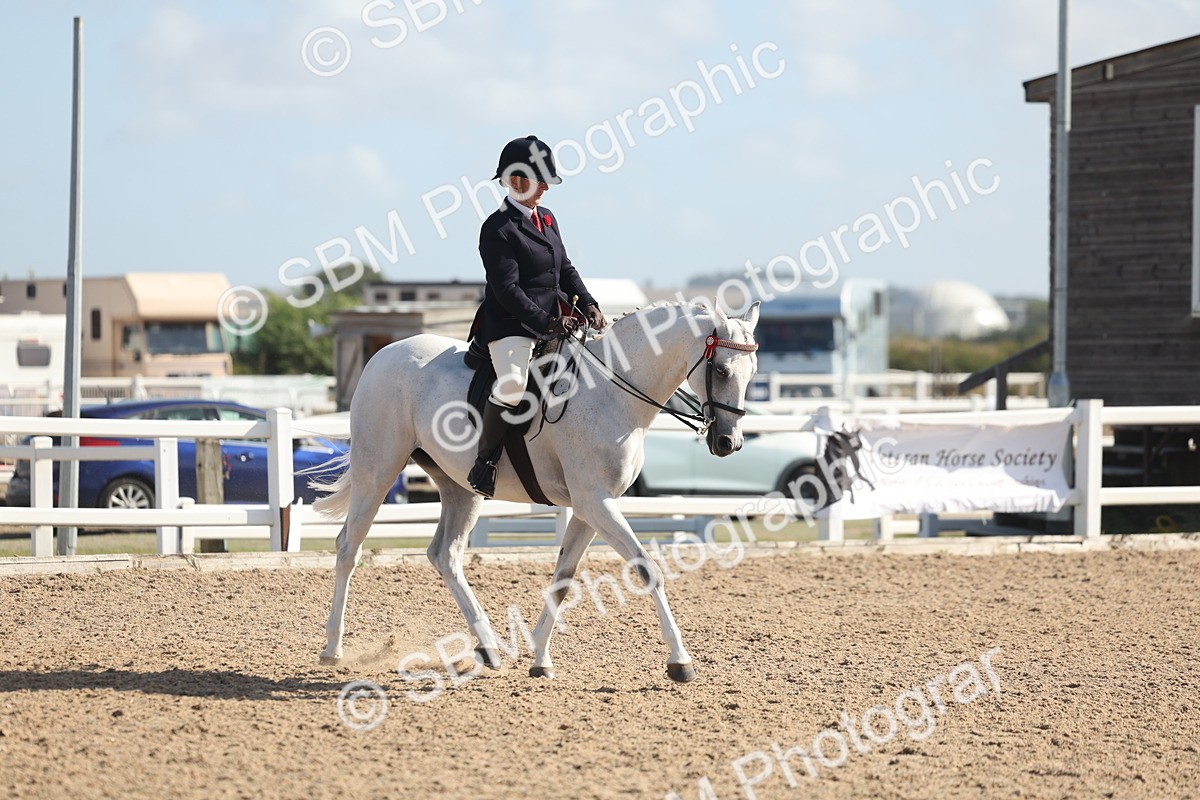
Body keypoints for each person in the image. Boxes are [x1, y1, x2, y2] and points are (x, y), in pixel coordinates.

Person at [467, 135, 606, 498]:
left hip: (555, 321)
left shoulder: (547, 218)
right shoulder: (497, 228)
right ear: (514, 181)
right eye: (537, 180)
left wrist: (588, 303)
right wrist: (546, 322)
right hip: (512, 325)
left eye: (547, 181)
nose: (545, 187)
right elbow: (507, 290)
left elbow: (565, 269)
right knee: (513, 387)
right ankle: (485, 462)